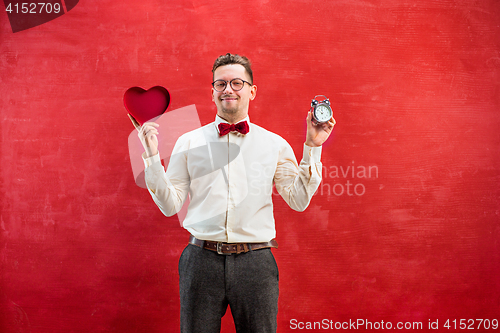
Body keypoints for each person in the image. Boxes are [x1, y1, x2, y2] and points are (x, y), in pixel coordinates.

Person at [136, 53, 335, 333]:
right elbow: (170, 206)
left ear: (252, 91)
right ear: (213, 92)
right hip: (200, 260)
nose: (228, 89)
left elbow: (298, 200)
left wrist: (313, 146)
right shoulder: (188, 142)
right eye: (221, 84)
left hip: (256, 263)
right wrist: (152, 156)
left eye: (237, 83)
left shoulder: (274, 144)